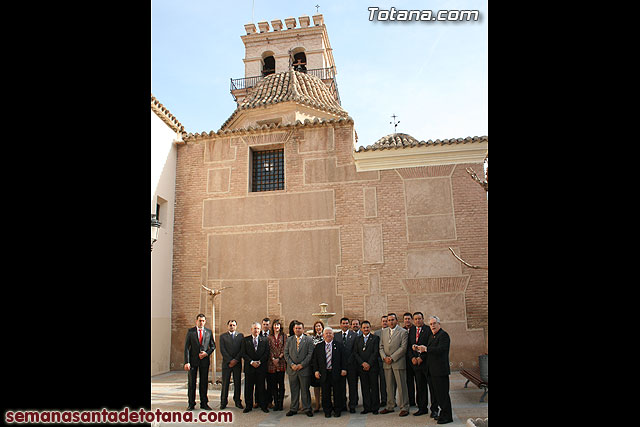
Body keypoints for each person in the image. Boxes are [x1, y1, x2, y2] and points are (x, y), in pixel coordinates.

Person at [418, 315, 453, 425]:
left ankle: (447, 416)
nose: (432, 326)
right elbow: (430, 352)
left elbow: (441, 350)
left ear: (439, 324)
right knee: (437, 395)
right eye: (431, 324)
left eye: (434, 323)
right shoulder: (432, 336)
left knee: (443, 394)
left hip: (440, 371)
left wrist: (426, 349)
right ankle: (443, 414)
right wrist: (420, 349)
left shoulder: (443, 335)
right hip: (432, 371)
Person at [378, 313, 409, 417]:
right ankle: (390, 405)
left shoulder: (403, 332)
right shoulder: (384, 332)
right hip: (386, 363)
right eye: (389, 320)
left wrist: (392, 357)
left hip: (398, 362)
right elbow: (381, 347)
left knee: (401, 386)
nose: (390, 322)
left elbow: (403, 348)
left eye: (392, 320)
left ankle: (404, 407)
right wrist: (384, 357)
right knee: (389, 386)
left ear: (396, 320)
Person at [311, 327, 347, 418]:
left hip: (336, 372)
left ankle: (337, 410)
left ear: (333, 335)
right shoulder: (319, 346)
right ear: (323, 335)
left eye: (330, 333)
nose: (328, 335)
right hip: (324, 373)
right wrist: (316, 370)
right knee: (325, 393)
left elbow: (344, 358)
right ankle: (327, 410)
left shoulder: (339, 345)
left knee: (337, 392)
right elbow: (315, 360)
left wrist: (344, 369)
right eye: (326, 333)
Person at [183, 313, 216, 411]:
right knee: (192, 383)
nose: (201, 322)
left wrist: (206, 353)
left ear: (205, 322)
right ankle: (191, 404)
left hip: (204, 361)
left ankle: (204, 403)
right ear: (196, 321)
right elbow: (186, 348)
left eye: (203, 321)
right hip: (193, 362)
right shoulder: (191, 332)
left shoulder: (209, 332)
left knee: (204, 382)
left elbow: (213, 346)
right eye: (199, 320)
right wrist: (187, 362)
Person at [283, 321, 314, 417]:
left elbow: (310, 354)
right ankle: (293, 408)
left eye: (299, 328)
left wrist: (302, 365)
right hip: (292, 370)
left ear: (303, 329)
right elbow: (286, 353)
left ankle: (307, 408)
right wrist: (292, 364)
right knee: (294, 389)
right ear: (293, 329)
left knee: (305, 390)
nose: (297, 330)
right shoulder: (289, 340)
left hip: (304, 369)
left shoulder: (308, 339)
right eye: (296, 328)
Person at [241, 322, 269, 413]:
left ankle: (263, 405)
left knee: (261, 387)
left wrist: (260, 362)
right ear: (251, 330)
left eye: (257, 328)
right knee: (248, 388)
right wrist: (251, 362)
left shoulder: (264, 340)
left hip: (261, 367)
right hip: (250, 368)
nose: (256, 330)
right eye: (254, 328)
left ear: (260, 330)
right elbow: (243, 353)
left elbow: (266, 353)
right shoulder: (245, 340)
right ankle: (248, 406)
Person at [408, 312, 432, 416]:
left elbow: (429, 345)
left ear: (423, 319)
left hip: (426, 363)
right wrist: (413, 357)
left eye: (419, 319)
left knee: (431, 387)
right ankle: (422, 408)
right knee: (420, 386)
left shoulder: (428, 329)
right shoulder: (412, 330)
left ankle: (434, 409)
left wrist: (421, 358)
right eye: (416, 319)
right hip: (416, 364)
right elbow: (409, 346)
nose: (418, 321)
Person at [354, 320, 380, 415]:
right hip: (362, 368)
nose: (366, 329)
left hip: (372, 367)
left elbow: (375, 352)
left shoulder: (375, 338)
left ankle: (375, 407)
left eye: (367, 327)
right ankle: (367, 407)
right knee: (365, 388)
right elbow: (355, 353)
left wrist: (369, 363)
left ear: (370, 328)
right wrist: (362, 363)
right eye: (364, 327)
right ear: (361, 329)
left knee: (374, 387)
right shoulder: (357, 339)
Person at [219, 319, 244, 410]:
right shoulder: (223, 336)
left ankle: (237, 401)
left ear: (236, 326)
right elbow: (222, 350)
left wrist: (236, 360)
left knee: (237, 383)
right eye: (230, 325)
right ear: (227, 326)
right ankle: (223, 402)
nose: (232, 326)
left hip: (237, 364)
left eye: (233, 325)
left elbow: (242, 349)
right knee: (225, 383)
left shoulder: (240, 336)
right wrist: (230, 360)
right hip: (227, 364)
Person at [335, 317, 358, 413]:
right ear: (340, 325)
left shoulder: (354, 335)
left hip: (351, 365)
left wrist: (349, 361)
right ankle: (343, 404)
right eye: (343, 323)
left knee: (352, 386)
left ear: (349, 325)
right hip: (340, 366)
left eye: (346, 323)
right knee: (341, 386)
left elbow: (355, 350)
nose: (345, 325)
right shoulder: (336, 335)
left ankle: (352, 405)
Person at [267, 319, 287, 411]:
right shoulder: (269, 337)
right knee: (273, 384)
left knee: (281, 384)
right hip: (272, 363)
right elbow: (269, 348)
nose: (276, 327)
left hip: (281, 362)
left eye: (278, 325)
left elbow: (285, 347)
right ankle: (276, 403)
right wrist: (273, 358)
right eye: (275, 325)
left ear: (280, 326)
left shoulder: (284, 336)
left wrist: (279, 357)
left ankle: (281, 403)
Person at [309, 320, 325, 413]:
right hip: (315, 364)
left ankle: (325, 402)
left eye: (319, 326)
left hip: (324, 364)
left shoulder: (326, 336)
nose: (318, 328)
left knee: (325, 385)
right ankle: (317, 404)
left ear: (322, 327)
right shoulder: (312, 339)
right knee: (316, 385)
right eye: (316, 326)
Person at [403, 312, 417, 407]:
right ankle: (411, 401)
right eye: (405, 319)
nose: (407, 320)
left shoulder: (415, 329)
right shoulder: (402, 330)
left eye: (409, 319)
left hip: (415, 359)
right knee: (409, 382)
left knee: (419, 382)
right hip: (406, 361)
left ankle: (420, 401)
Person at [374, 315, 389, 407]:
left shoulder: (392, 332)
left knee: (390, 382)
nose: (385, 322)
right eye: (383, 321)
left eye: (386, 321)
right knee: (382, 382)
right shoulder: (377, 333)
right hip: (379, 360)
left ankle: (391, 399)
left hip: (390, 360)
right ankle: (383, 399)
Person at [257, 317, 271, 408]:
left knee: (270, 383)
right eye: (264, 324)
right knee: (259, 383)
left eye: (267, 324)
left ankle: (269, 401)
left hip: (270, 363)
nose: (265, 326)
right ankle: (258, 401)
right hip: (260, 363)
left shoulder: (272, 335)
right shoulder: (258, 334)